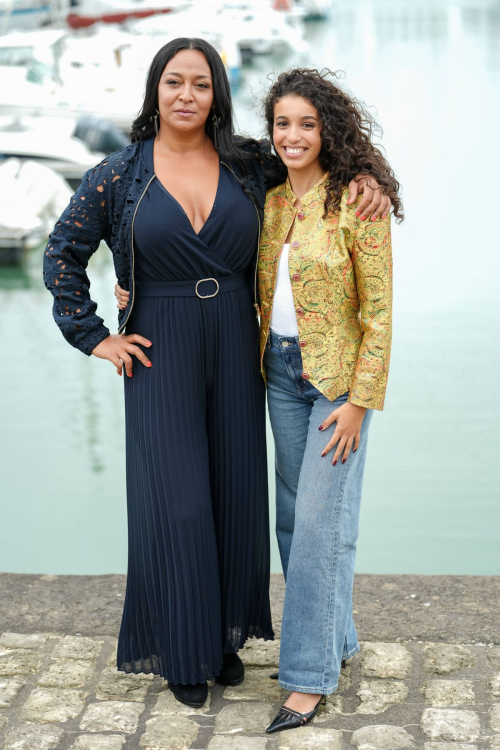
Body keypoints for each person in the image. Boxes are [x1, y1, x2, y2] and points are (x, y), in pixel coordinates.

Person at [46, 38, 390, 710]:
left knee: (235, 496)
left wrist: (370, 178)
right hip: (157, 347)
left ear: (216, 96)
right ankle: (183, 650)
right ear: (155, 90)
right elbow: (62, 252)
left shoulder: (246, 163)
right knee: (177, 501)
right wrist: (92, 337)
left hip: (239, 343)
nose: (185, 95)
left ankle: (223, 642)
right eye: (173, 82)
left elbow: (317, 160)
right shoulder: (118, 174)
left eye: (200, 85)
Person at [255, 68, 402, 733]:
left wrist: (359, 404)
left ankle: (308, 678)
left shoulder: (357, 203)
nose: (292, 135)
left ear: (328, 130)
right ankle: (337, 639)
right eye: (282, 123)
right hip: (280, 376)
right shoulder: (272, 199)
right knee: (294, 519)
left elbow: (379, 313)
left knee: (318, 525)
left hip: (335, 388)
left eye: (306, 124)